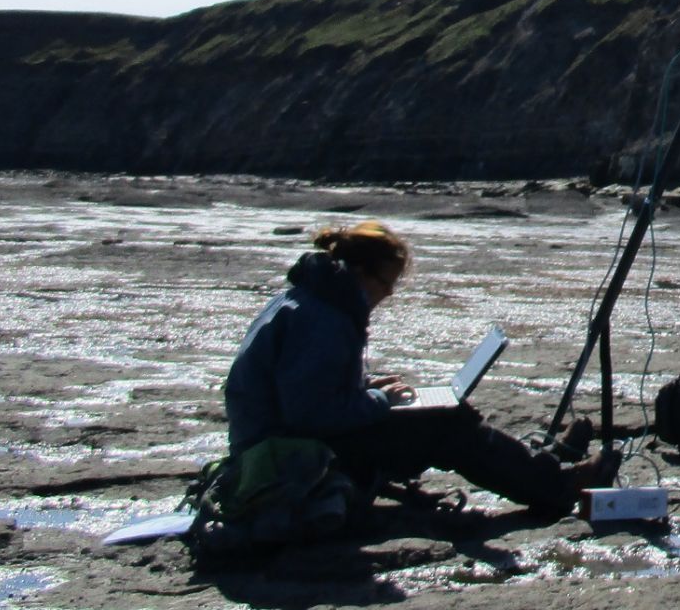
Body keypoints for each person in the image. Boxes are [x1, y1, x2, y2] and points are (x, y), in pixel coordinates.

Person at [223, 219, 610, 515]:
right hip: (286, 458)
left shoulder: (314, 299)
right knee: (448, 425)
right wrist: (376, 400)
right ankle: (555, 486)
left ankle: (546, 466)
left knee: (444, 416)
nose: (387, 295)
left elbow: (308, 390)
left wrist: (365, 387)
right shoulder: (323, 318)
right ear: (359, 273)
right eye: (385, 284)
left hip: (276, 444)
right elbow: (311, 415)